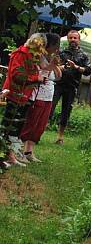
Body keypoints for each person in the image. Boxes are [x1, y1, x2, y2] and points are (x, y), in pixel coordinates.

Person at [1, 33, 47, 166]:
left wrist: (38, 78)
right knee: (10, 126)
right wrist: (35, 79)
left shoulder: (32, 56)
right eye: (40, 46)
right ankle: (7, 156)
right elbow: (16, 75)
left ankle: (11, 156)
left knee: (18, 127)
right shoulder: (21, 54)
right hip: (14, 94)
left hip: (24, 95)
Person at [20, 33, 62, 162]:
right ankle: (19, 150)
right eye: (55, 45)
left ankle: (29, 151)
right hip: (38, 93)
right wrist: (53, 65)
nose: (57, 48)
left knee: (41, 124)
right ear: (48, 45)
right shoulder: (40, 57)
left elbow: (59, 76)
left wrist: (55, 65)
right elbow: (44, 72)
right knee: (32, 121)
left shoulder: (50, 58)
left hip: (49, 94)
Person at [51, 29, 91, 144]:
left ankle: (60, 137)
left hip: (72, 86)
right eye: (71, 38)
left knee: (66, 111)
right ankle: (38, 133)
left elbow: (88, 71)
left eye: (75, 38)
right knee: (50, 108)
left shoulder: (83, 56)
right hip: (58, 84)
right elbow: (54, 66)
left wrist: (76, 67)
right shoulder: (62, 53)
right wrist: (60, 67)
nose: (73, 40)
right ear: (68, 39)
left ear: (79, 40)